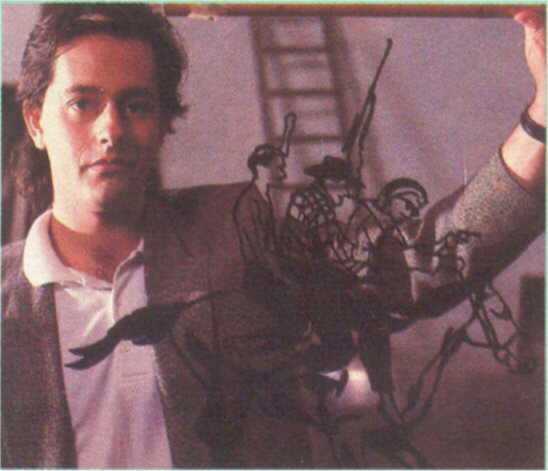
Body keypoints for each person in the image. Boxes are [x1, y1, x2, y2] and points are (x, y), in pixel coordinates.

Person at [1, 4, 545, 468]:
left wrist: (543, 120)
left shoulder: (238, 237)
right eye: (82, 103)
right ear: (35, 121)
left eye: (136, 105)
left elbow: (421, 263)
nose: (110, 128)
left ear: (164, 123)